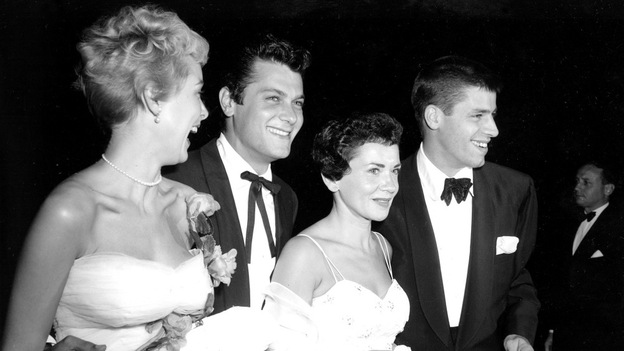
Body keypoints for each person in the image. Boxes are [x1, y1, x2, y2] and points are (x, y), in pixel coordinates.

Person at [2, 5, 274, 351]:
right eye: (196, 93)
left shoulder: (185, 203)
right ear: (154, 98)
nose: (205, 112)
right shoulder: (72, 211)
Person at [376, 56, 540, 351]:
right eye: (477, 115)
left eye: (492, 114)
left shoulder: (516, 189)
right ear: (434, 117)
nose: (493, 129)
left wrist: (519, 332)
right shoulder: (381, 192)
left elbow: (518, 280)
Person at [164, 33, 311, 313]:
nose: (291, 116)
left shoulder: (287, 197)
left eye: (297, 103)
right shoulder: (178, 180)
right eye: (273, 98)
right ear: (229, 101)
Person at [263, 112, 411, 351]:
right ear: (333, 179)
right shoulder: (305, 253)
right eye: (374, 170)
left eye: (394, 170)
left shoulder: (383, 247)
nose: (391, 185)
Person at [543, 162, 624, 351]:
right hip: (568, 335)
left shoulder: (618, 227)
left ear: (608, 189)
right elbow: (561, 285)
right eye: (577, 181)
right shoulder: (568, 225)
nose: (577, 187)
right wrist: (553, 331)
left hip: (606, 339)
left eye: (586, 182)